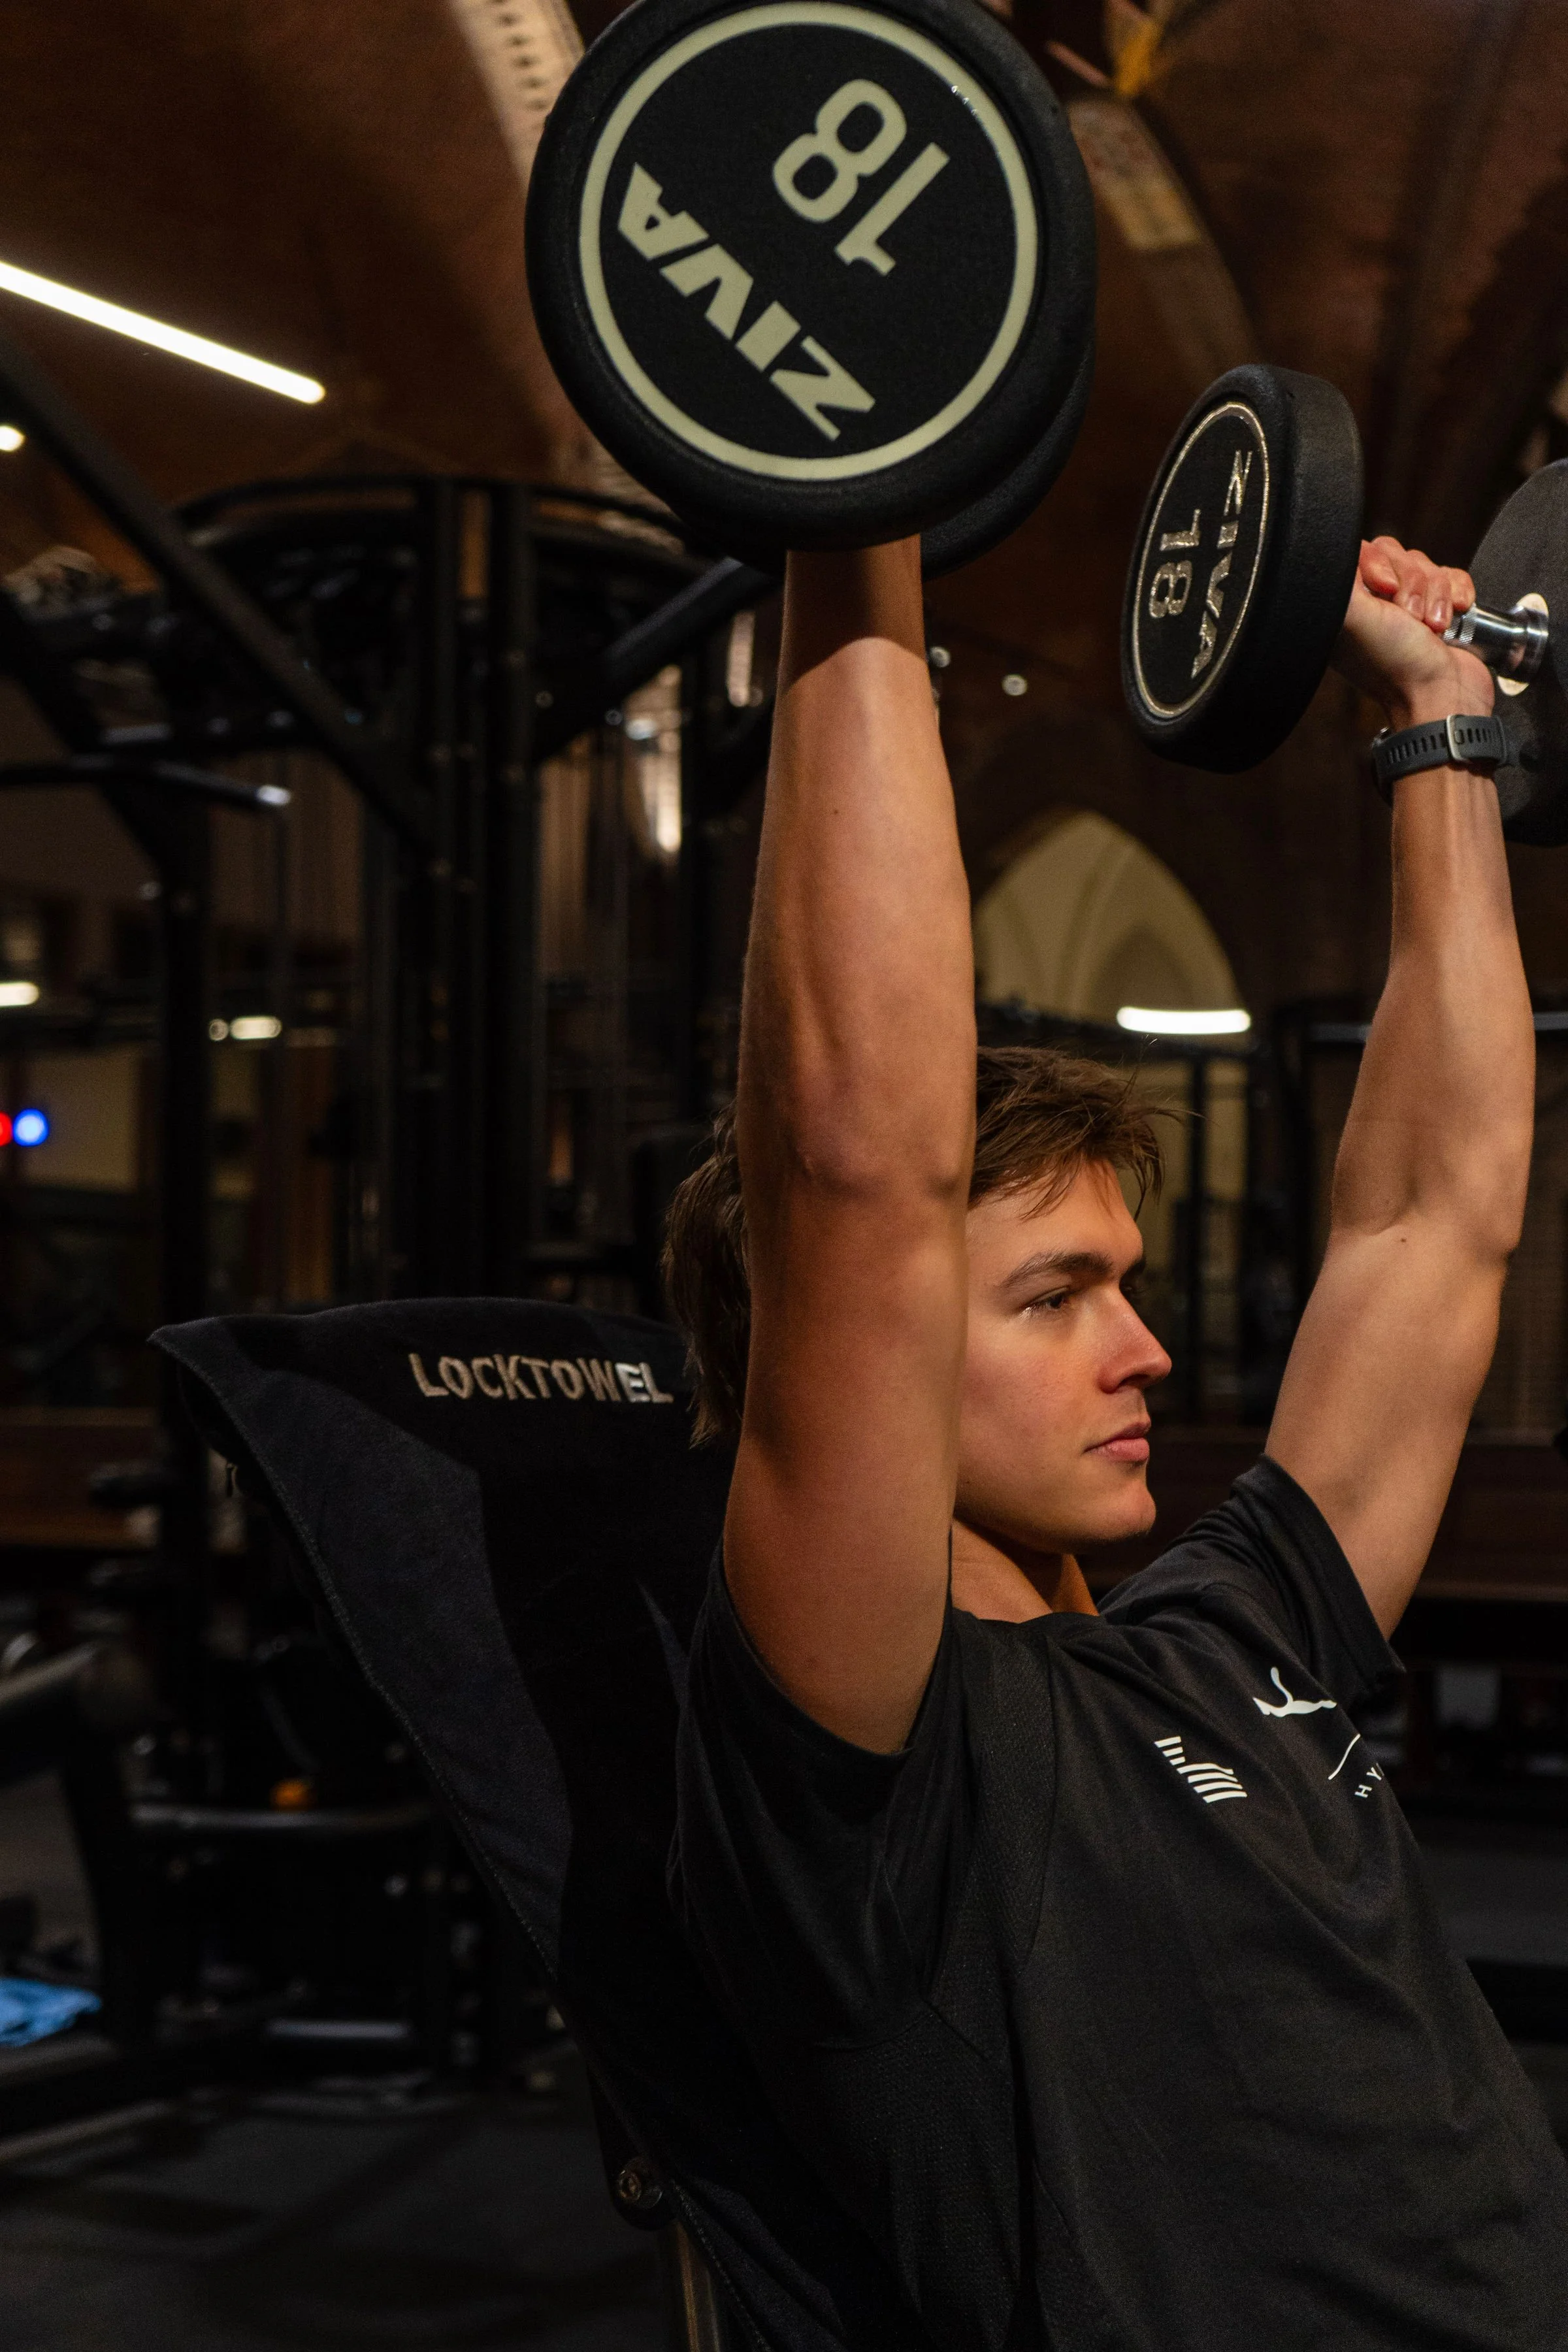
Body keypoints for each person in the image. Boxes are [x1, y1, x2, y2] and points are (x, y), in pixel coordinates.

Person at [664, 531, 1568, 2349]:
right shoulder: (877, 1769)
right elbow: (855, 1166)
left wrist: (1442, 726)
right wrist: (861, 514)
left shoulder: (1242, 1638)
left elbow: (1436, 1216)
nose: (1145, 1351)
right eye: (1053, 1295)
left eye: (1128, 1285)